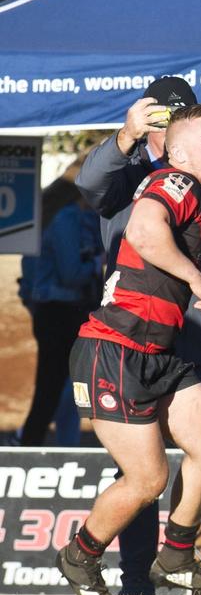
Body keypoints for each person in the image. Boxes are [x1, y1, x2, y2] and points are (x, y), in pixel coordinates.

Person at [75, 78, 201, 595]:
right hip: (130, 342)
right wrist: (124, 136)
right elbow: (94, 192)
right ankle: (134, 579)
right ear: (159, 129)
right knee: (144, 477)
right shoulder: (132, 175)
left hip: (195, 345)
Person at [16, 176, 102, 446]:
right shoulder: (67, 218)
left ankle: (46, 442)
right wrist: (99, 262)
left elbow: (30, 274)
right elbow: (71, 274)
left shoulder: (49, 219)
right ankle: (34, 442)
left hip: (52, 311)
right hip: (63, 312)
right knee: (57, 386)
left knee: (58, 386)